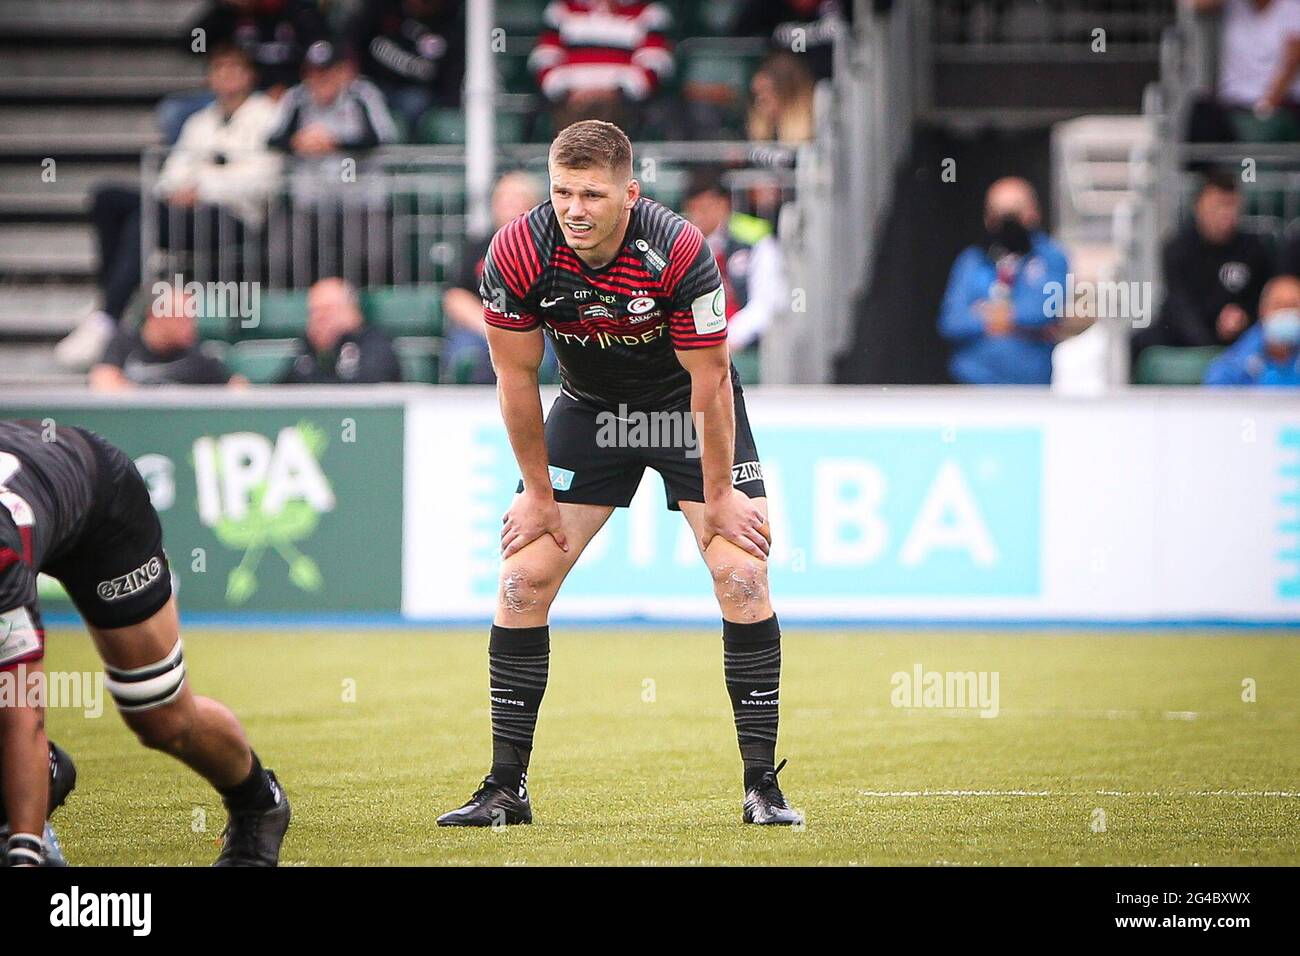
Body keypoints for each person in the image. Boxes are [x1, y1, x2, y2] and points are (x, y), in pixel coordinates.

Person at [437, 120, 801, 828]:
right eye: (563, 191)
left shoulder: (678, 249)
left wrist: (721, 496)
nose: (575, 208)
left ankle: (763, 787)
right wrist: (538, 495)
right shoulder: (517, 250)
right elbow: (515, 380)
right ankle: (505, 789)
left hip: (684, 409)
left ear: (629, 194)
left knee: (743, 575)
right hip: (591, 408)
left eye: (593, 195)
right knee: (521, 579)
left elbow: (712, 380)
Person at [0, 420, 290, 866]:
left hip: (97, 500)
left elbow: (20, 712)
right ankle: (41, 777)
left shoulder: (2, 554)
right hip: (38, 491)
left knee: (161, 716)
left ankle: (258, 804)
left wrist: (23, 852)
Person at [58, 44, 281, 371]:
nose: (227, 76)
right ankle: (110, 301)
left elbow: (265, 179)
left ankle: (108, 315)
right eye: (219, 69)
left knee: (146, 217)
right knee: (107, 198)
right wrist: (184, 188)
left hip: (235, 218)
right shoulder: (199, 121)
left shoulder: (269, 115)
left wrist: (204, 187)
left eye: (235, 68)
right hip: (185, 215)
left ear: (250, 75)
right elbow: (170, 175)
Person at [937, 177, 1069, 384]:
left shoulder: (1050, 257)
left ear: (1033, 213)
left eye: (1014, 214)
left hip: (1030, 388)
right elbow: (952, 322)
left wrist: (986, 312)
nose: (1007, 224)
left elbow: (1042, 312)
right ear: (987, 218)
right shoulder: (972, 260)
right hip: (973, 385)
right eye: (999, 214)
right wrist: (1016, 323)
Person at [1134, 170, 1272, 362]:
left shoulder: (1255, 248)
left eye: (1231, 205)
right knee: (1138, 341)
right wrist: (1208, 346)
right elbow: (1180, 305)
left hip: (1241, 336)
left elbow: (1265, 297)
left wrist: (1244, 315)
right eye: (1217, 206)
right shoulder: (1177, 248)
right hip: (1187, 332)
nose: (1225, 214)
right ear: (1198, 206)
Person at [162, 0, 330, 143]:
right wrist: (223, 9)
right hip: (234, 94)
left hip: (286, 94)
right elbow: (191, 46)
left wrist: (290, 87)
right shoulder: (228, 15)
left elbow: (321, 56)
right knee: (175, 110)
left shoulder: (298, 11)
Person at [442, 171, 552, 383]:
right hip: (481, 330)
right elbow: (455, 296)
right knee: (467, 355)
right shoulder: (478, 246)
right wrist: (493, 327)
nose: (507, 205)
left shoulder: (550, 248)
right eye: (502, 199)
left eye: (516, 198)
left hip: (537, 331)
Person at [528, 0, 674, 136]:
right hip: (572, 99)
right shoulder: (561, 9)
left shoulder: (650, 13)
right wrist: (568, 89)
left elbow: (655, 62)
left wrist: (615, 92)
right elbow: (544, 58)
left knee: (608, 123)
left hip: (620, 100)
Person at [682, 167, 787, 353]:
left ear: (723, 205)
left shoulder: (755, 239)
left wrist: (730, 337)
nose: (697, 217)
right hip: (698, 345)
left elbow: (765, 303)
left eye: (704, 208)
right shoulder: (682, 243)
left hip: (748, 346)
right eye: (692, 210)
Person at [1185, 0, 1300, 143]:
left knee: (1256, 141)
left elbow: (1290, 65)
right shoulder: (1234, 5)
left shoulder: (1292, 10)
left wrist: (1265, 109)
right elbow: (1192, 4)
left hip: (1276, 109)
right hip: (1231, 106)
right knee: (1200, 114)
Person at [89, 285, 245, 390]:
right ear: (155, 315)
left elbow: (237, 387)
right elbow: (103, 380)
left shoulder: (197, 358)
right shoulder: (124, 342)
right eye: (183, 317)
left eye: (193, 317)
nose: (191, 325)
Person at [267, 39, 401, 156]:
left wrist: (337, 144)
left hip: (355, 176)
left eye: (327, 71)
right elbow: (272, 141)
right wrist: (294, 142)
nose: (321, 78)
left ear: (343, 72)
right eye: (314, 71)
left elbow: (385, 139)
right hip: (308, 179)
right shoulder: (296, 97)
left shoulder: (362, 94)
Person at [349, 0, 465, 130]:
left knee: (415, 102)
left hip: (416, 92)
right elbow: (352, 43)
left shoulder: (450, 25)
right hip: (374, 83)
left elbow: (452, 79)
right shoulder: (382, 8)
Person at [280, 277, 403, 383]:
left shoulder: (376, 344)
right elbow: (279, 393)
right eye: (314, 312)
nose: (319, 319)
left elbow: (369, 385)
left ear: (352, 311)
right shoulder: (307, 350)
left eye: (327, 310)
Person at [1205, 274, 1300, 384]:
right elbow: (1216, 387)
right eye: (1278, 306)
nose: (1285, 313)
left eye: (1292, 305)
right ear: (1262, 311)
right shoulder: (1238, 359)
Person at [746, 52, 815, 145]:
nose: (758, 102)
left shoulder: (815, 115)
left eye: (766, 91)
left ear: (787, 92)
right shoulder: (762, 129)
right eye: (755, 95)